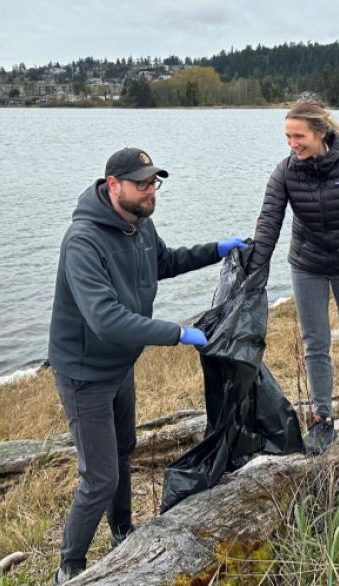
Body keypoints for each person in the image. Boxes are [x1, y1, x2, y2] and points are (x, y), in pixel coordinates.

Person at [48, 147, 247, 582]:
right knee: (98, 477)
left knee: (123, 453)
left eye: (154, 182)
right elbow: (104, 319)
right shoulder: (83, 241)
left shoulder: (138, 223)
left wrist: (217, 249)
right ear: (112, 185)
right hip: (85, 374)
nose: (150, 190)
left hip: (120, 367)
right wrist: (176, 332)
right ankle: (71, 565)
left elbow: (164, 262)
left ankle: (122, 534)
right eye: (141, 183)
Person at [246, 100, 339, 455]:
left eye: (299, 136)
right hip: (307, 264)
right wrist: (255, 266)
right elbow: (269, 221)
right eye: (288, 137)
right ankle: (322, 419)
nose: (292, 143)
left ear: (320, 133)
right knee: (315, 343)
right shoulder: (285, 172)